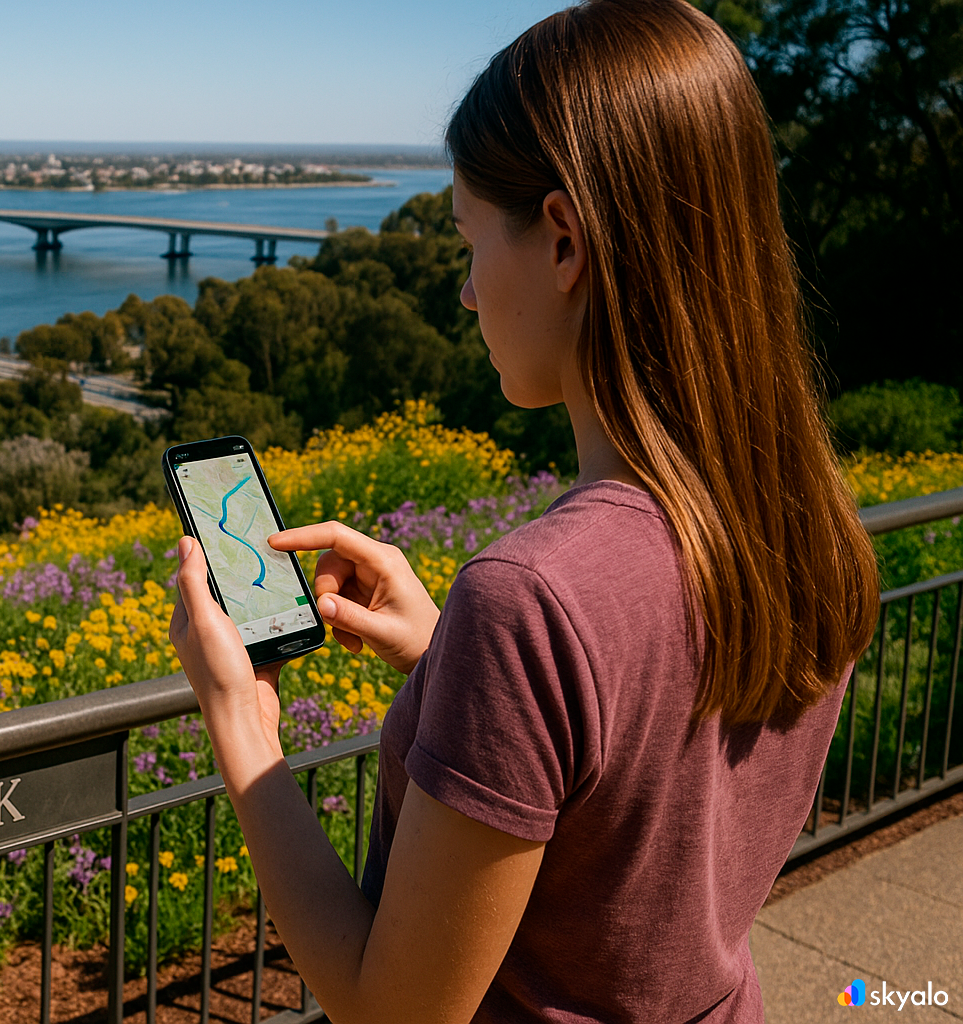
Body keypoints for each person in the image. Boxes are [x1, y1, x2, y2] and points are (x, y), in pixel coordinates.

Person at [167, 1, 881, 1020]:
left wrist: (242, 719)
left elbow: (397, 1009)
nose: (465, 292)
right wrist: (449, 662)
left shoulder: (534, 601)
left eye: (467, 241)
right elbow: (638, 788)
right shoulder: (804, 529)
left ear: (561, 242)